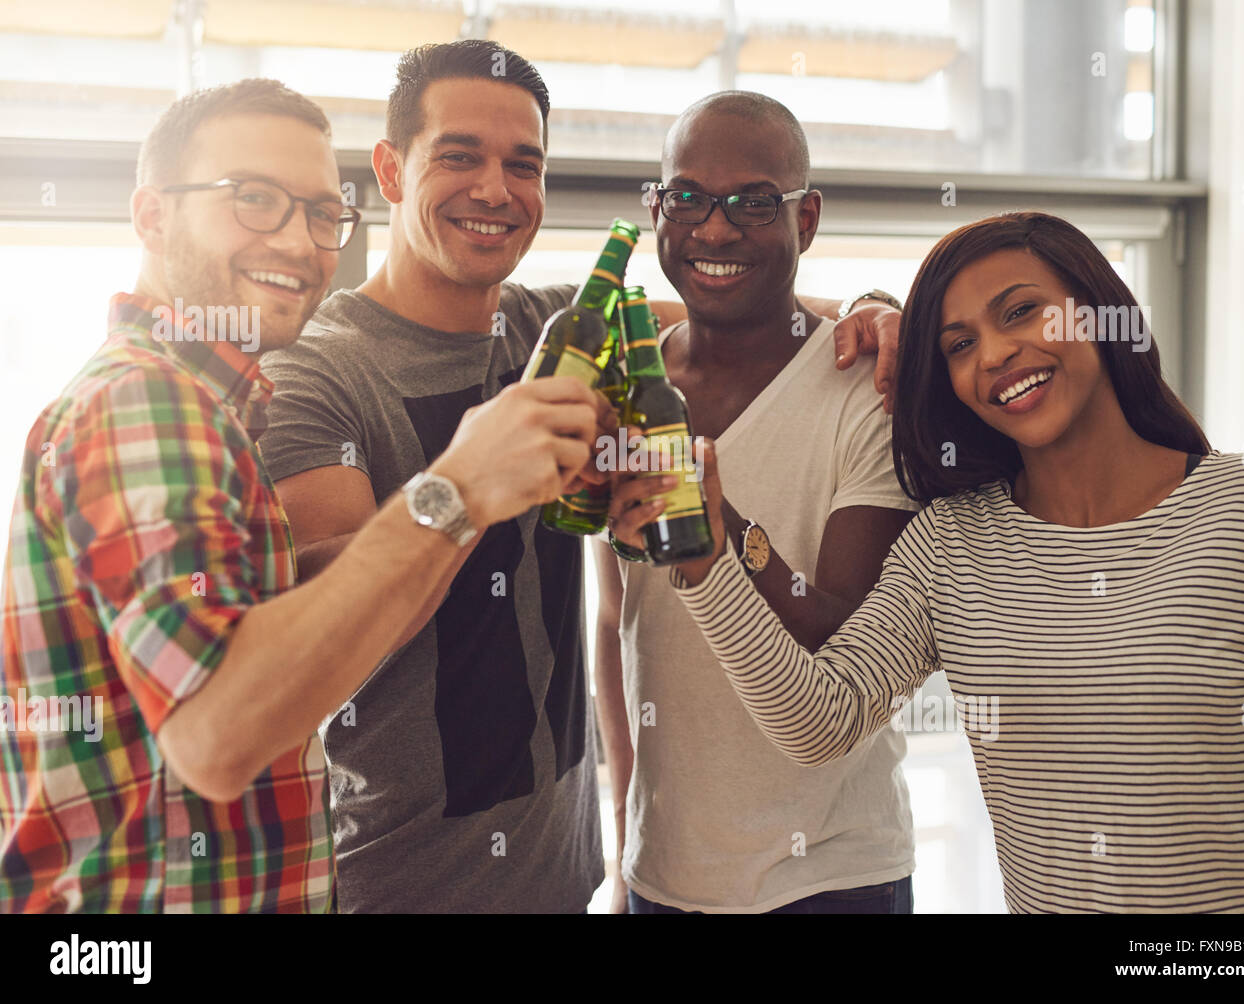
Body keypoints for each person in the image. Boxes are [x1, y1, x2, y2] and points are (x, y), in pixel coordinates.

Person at [257, 40, 902, 913]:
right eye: (458, 156)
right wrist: (464, 487)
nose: (494, 189)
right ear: (389, 171)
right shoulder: (319, 373)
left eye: (522, 165)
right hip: (400, 884)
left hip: (572, 879)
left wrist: (877, 309)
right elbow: (321, 640)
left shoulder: (557, 333)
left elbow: (738, 301)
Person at [0, 78, 611, 913]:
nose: (299, 242)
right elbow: (217, 735)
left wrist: (481, 496)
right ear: (151, 216)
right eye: (254, 200)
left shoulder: (209, 406)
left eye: (323, 215)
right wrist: (459, 485)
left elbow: (270, 630)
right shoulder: (146, 406)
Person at [618, 211, 1244, 913]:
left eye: (1022, 312)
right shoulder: (950, 543)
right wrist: (708, 554)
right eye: (959, 344)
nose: (996, 353)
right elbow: (819, 722)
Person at [597, 92, 917, 914]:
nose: (714, 228)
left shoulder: (867, 390)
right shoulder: (626, 387)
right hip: (661, 876)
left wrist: (720, 529)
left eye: (751, 202)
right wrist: (626, 831)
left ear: (805, 220)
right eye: (689, 198)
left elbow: (844, 630)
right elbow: (615, 621)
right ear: (657, 208)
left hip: (833, 877)